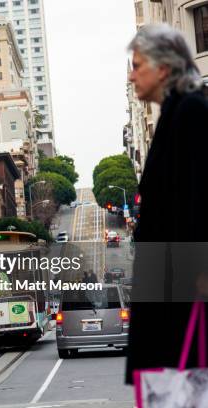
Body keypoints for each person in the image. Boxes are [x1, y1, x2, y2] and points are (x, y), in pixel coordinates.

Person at [125, 24, 208, 385]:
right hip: (171, 283)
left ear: (162, 68)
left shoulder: (191, 110)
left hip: (184, 287)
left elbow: (200, 194)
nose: (131, 75)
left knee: (187, 386)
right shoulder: (175, 112)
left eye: (137, 65)